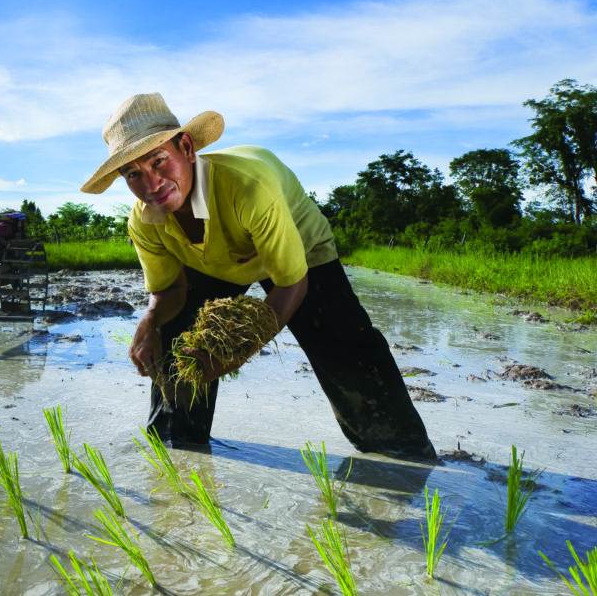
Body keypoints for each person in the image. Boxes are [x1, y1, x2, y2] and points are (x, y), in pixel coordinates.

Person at [80, 93, 436, 460]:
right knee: (175, 337)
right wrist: (150, 321)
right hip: (213, 261)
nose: (151, 183)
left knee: (342, 344)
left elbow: (291, 282)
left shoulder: (248, 186)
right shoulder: (143, 220)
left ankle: (402, 452)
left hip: (300, 249)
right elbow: (170, 290)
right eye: (133, 174)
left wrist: (240, 348)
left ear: (186, 147)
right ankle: (178, 449)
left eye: (158, 161)